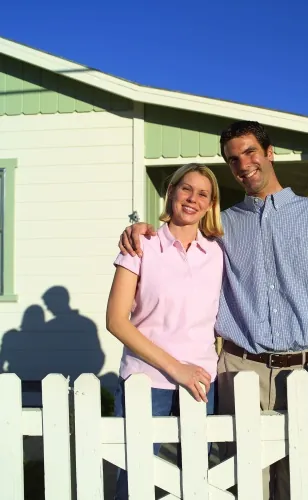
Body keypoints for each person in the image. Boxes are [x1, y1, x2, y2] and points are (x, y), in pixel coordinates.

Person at [118, 121, 308, 500]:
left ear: (269, 152)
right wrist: (139, 230)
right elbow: (175, 234)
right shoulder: (220, 228)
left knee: (300, 486)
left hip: (305, 374)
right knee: (244, 486)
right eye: (232, 159)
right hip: (240, 373)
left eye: (249, 153)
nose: (243, 164)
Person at [107, 163, 224, 500]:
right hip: (146, 381)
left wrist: (190, 373)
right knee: (136, 482)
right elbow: (116, 320)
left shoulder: (216, 252)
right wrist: (177, 369)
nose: (193, 198)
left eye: (203, 193)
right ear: (171, 191)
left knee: (197, 482)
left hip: (201, 382)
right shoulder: (141, 244)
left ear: (210, 203)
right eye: (186, 188)